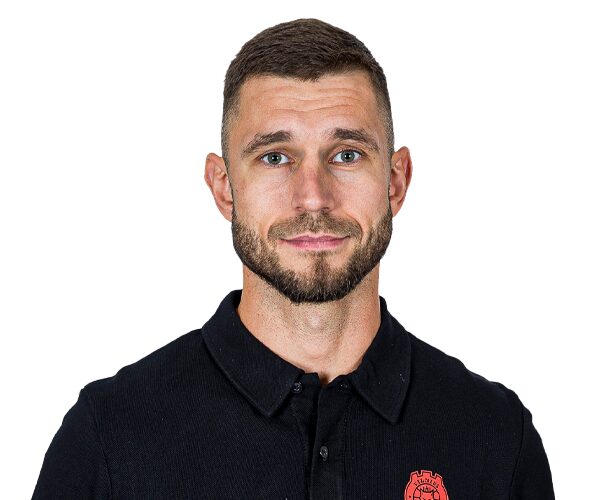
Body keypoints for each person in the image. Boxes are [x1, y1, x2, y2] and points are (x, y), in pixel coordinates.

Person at [32, 18, 554, 499]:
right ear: (224, 187)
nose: (313, 198)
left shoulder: (496, 437)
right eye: (275, 157)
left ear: (395, 182)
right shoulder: (108, 438)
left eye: (347, 154)